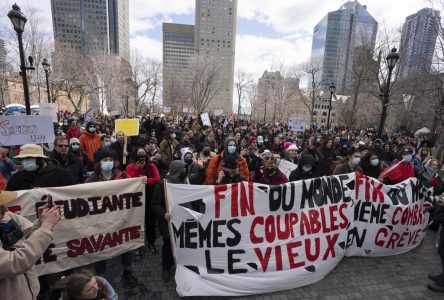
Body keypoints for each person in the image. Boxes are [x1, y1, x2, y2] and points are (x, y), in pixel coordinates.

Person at [85, 147, 138, 288]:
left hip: (122, 219)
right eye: (104, 160)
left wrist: (140, 183)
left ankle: (127, 272)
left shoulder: (124, 176)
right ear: (98, 163)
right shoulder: (91, 180)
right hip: (101, 222)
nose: (108, 162)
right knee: (101, 247)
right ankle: (101, 278)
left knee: (126, 246)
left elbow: (134, 189)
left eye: (110, 160)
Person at [0, 190, 61, 300]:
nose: (4, 209)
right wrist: (46, 227)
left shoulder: (7, 217)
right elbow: (15, 262)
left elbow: (25, 239)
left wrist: (41, 223)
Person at [126, 147, 161, 254]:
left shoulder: (151, 165)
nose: (141, 155)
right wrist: (137, 169)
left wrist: (146, 180)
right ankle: (138, 245)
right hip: (136, 199)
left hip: (150, 197)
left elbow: (157, 178)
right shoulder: (130, 167)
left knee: (150, 222)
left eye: (143, 153)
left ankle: (151, 242)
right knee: (137, 223)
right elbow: (129, 180)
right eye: (139, 153)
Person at [7, 144, 75, 191]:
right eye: (23, 159)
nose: (25, 162)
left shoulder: (63, 175)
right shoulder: (17, 178)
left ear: (41, 159)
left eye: (29, 158)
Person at [51, 269, 117, 300]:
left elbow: (113, 296)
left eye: (95, 283)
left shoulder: (100, 281)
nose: (97, 288)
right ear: (78, 295)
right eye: (89, 289)